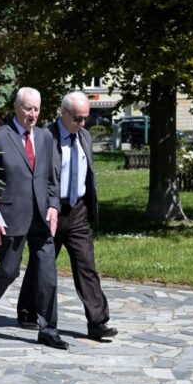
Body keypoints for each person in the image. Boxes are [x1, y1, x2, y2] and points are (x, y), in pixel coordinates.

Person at [0, 87, 68, 350]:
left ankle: (49, 329)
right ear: (16, 107)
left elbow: (51, 180)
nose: (33, 114)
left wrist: (54, 207)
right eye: (27, 108)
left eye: (36, 109)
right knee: (8, 271)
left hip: (42, 218)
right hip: (10, 217)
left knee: (47, 273)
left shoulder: (46, 138)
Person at [17, 92, 117, 340]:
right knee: (42, 266)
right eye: (77, 118)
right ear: (63, 112)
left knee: (86, 265)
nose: (82, 123)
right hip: (51, 210)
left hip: (78, 211)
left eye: (86, 118)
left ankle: (97, 321)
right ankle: (28, 311)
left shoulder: (84, 136)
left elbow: (88, 174)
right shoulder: (45, 138)